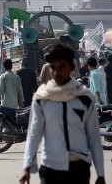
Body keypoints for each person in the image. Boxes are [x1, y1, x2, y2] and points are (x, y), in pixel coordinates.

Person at [20, 43, 105, 184]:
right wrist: (27, 166)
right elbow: (34, 134)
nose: (56, 73)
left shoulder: (85, 98)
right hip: (50, 168)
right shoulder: (42, 98)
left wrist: (100, 173)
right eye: (53, 68)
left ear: (71, 67)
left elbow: (94, 137)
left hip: (79, 168)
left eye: (61, 67)